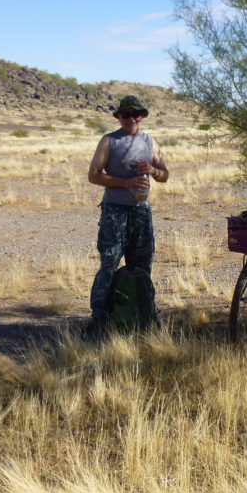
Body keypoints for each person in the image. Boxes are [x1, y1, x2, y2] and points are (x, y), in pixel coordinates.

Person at [86, 95, 169, 333]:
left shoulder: (150, 142)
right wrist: (126, 183)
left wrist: (154, 170)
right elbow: (93, 175)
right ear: (119, 117)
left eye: (136, 114)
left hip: (141, 211)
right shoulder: (109, 141)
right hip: (115, 211)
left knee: (142, 264)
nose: (131, 118)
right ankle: (100, 317)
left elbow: (165, 174)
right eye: (125, 114)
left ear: (142, 116)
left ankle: (141, 312)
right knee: (109, 262)